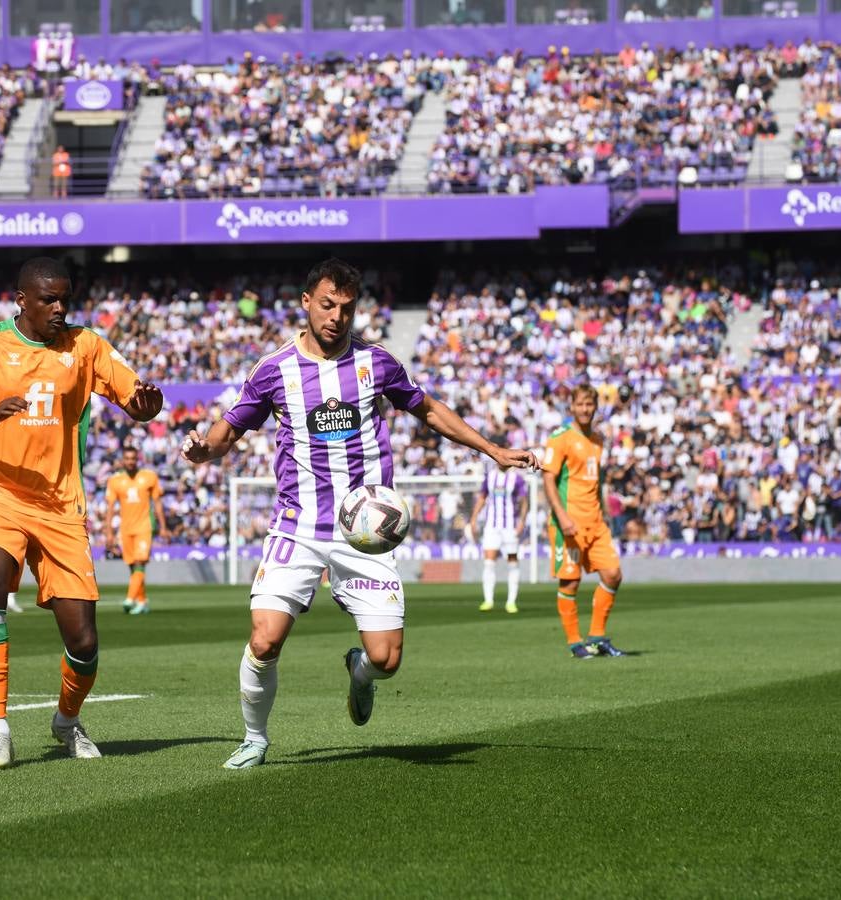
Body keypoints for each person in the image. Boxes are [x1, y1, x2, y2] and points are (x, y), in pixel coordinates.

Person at [180, 258, 536, 770]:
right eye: (328, 305)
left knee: (386, 659)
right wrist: (203, 451)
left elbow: (428, 409)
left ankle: (360, 671)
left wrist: (492, 450)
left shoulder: (377, 363)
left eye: (347, 308)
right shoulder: (274, 369)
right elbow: (229, 430)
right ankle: (255, 739)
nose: (337, 317)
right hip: (298, 526)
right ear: (307, 302)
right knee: (264, 638)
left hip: (365, 530)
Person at [0, 257, 163, 769]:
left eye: (65, 298)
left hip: (61, 507)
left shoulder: (85, 345)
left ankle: (66, 720)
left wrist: (146, 406)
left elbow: (137, 400)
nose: (59, 308)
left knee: (84, 642)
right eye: (49, 299)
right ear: (21, 300)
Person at [540, 384, 625, 660]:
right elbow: (548, 479)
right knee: (570, 583)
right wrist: (562, 516)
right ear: (572, 407)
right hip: (569, 522)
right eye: (580, 404)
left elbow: (596, 482)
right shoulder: (560, 438)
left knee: (613, 574)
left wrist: (604, 514)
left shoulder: (598, 440)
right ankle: (575, 643)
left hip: (596, 521)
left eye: (590, 404)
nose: (585, 409)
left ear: (596, 407)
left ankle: (597, 638)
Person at [106, 445, 168, 614]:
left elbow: (158, 503)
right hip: (126, 529)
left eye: (133, 458)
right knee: (133, 567)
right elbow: (110, 509)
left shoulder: (149, 477)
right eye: (127, 459)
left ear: (137, 459)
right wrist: (109, 533)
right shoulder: (115, 481)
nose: (130, 462)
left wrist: (163, 527)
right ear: (122, 460)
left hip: (144, 527)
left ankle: (129, 598)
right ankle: (142, 601)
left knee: (140, 562)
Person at [470, 462, 528, 613]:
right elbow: (482, 498)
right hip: (492, 526)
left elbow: (524, 501)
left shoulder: (516, 478)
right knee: (489, 563)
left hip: (510, 527)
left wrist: (522, 522)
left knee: (513, 563)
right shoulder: (489, 477)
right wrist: (474, 518)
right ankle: (488, 600)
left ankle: (511, 602)